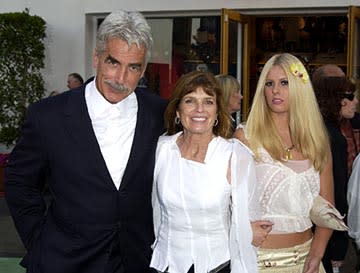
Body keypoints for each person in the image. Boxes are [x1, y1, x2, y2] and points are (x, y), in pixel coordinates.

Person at [5, 10, 167, 273]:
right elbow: (19, 183)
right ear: (96, 58)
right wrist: (40, 241)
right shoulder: (48, 115)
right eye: (113, 62)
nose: (121, 79)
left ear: (143, 69)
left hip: (138, 260)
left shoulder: (160, 113)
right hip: (65, 261)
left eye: (133, 67)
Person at [150, 71, 259, 273]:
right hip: (164, 264)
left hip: (218, 265)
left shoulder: (236, 156)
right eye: (190, 101)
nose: (199, 109)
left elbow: (248, 224)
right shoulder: (161, 150)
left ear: (217, 111)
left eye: (208, 102)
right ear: (177, 110)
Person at [234, 53, 334, 273]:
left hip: (308, 260)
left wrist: (317, 254)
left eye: (284, 83)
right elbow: (228, 202)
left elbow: (328, 208)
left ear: (300, 87)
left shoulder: (317, 139)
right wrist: (242, 229)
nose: (275, 90)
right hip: (260, 261)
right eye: (269, 84)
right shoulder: (246, 137)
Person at [313, 76, 359, 273]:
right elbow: (335, 194)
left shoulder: (319, 131)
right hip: (324, 236)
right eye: (349, 96)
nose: (355, 101)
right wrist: (338, 244)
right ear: (334, 99)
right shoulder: (331, 137)